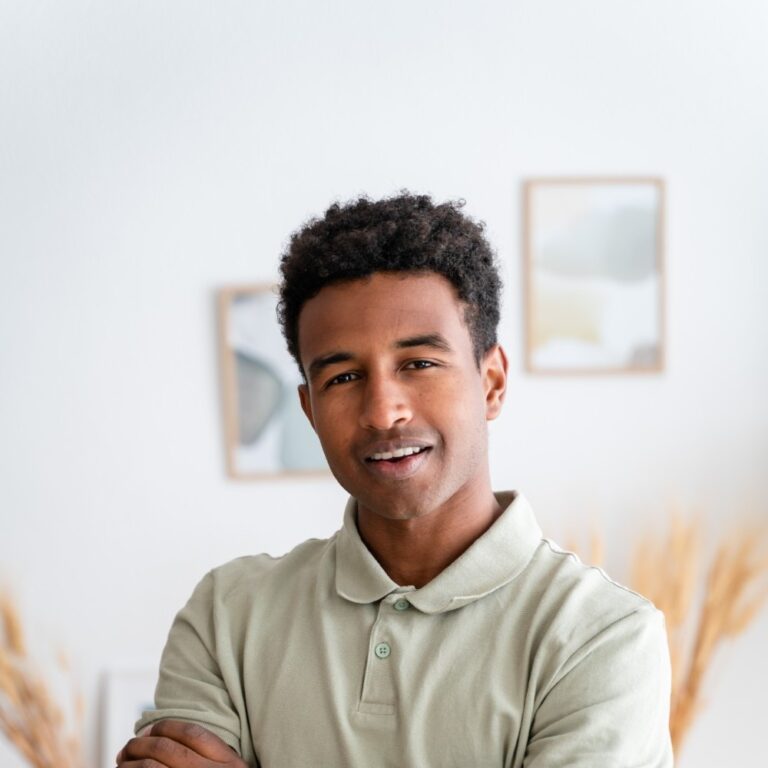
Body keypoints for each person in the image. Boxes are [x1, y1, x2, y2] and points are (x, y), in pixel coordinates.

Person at [117, 193, 673, 767]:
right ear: (308, 410)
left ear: (491, 383)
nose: (383, 412)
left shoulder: (602, 635)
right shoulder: (226, 615)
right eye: (343, 377)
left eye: (419, 364)